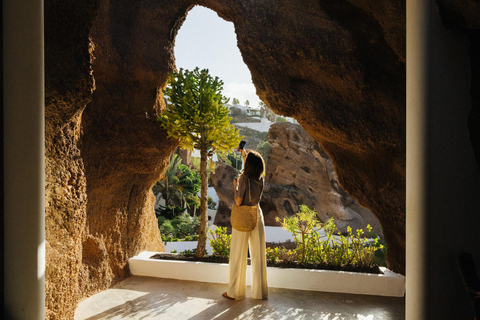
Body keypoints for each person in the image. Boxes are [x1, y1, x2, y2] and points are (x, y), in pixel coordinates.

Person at [222, 148, 268, 300]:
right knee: (258, 255)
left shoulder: (243, 179)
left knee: (237, 255)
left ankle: (234, 292)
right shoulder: (260, 178)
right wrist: (244, 154)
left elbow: (238, 201)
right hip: (257, 215)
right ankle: (260, 293)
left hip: (243, 216)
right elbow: (250, 168)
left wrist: (235, 187)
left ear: (248, 165)